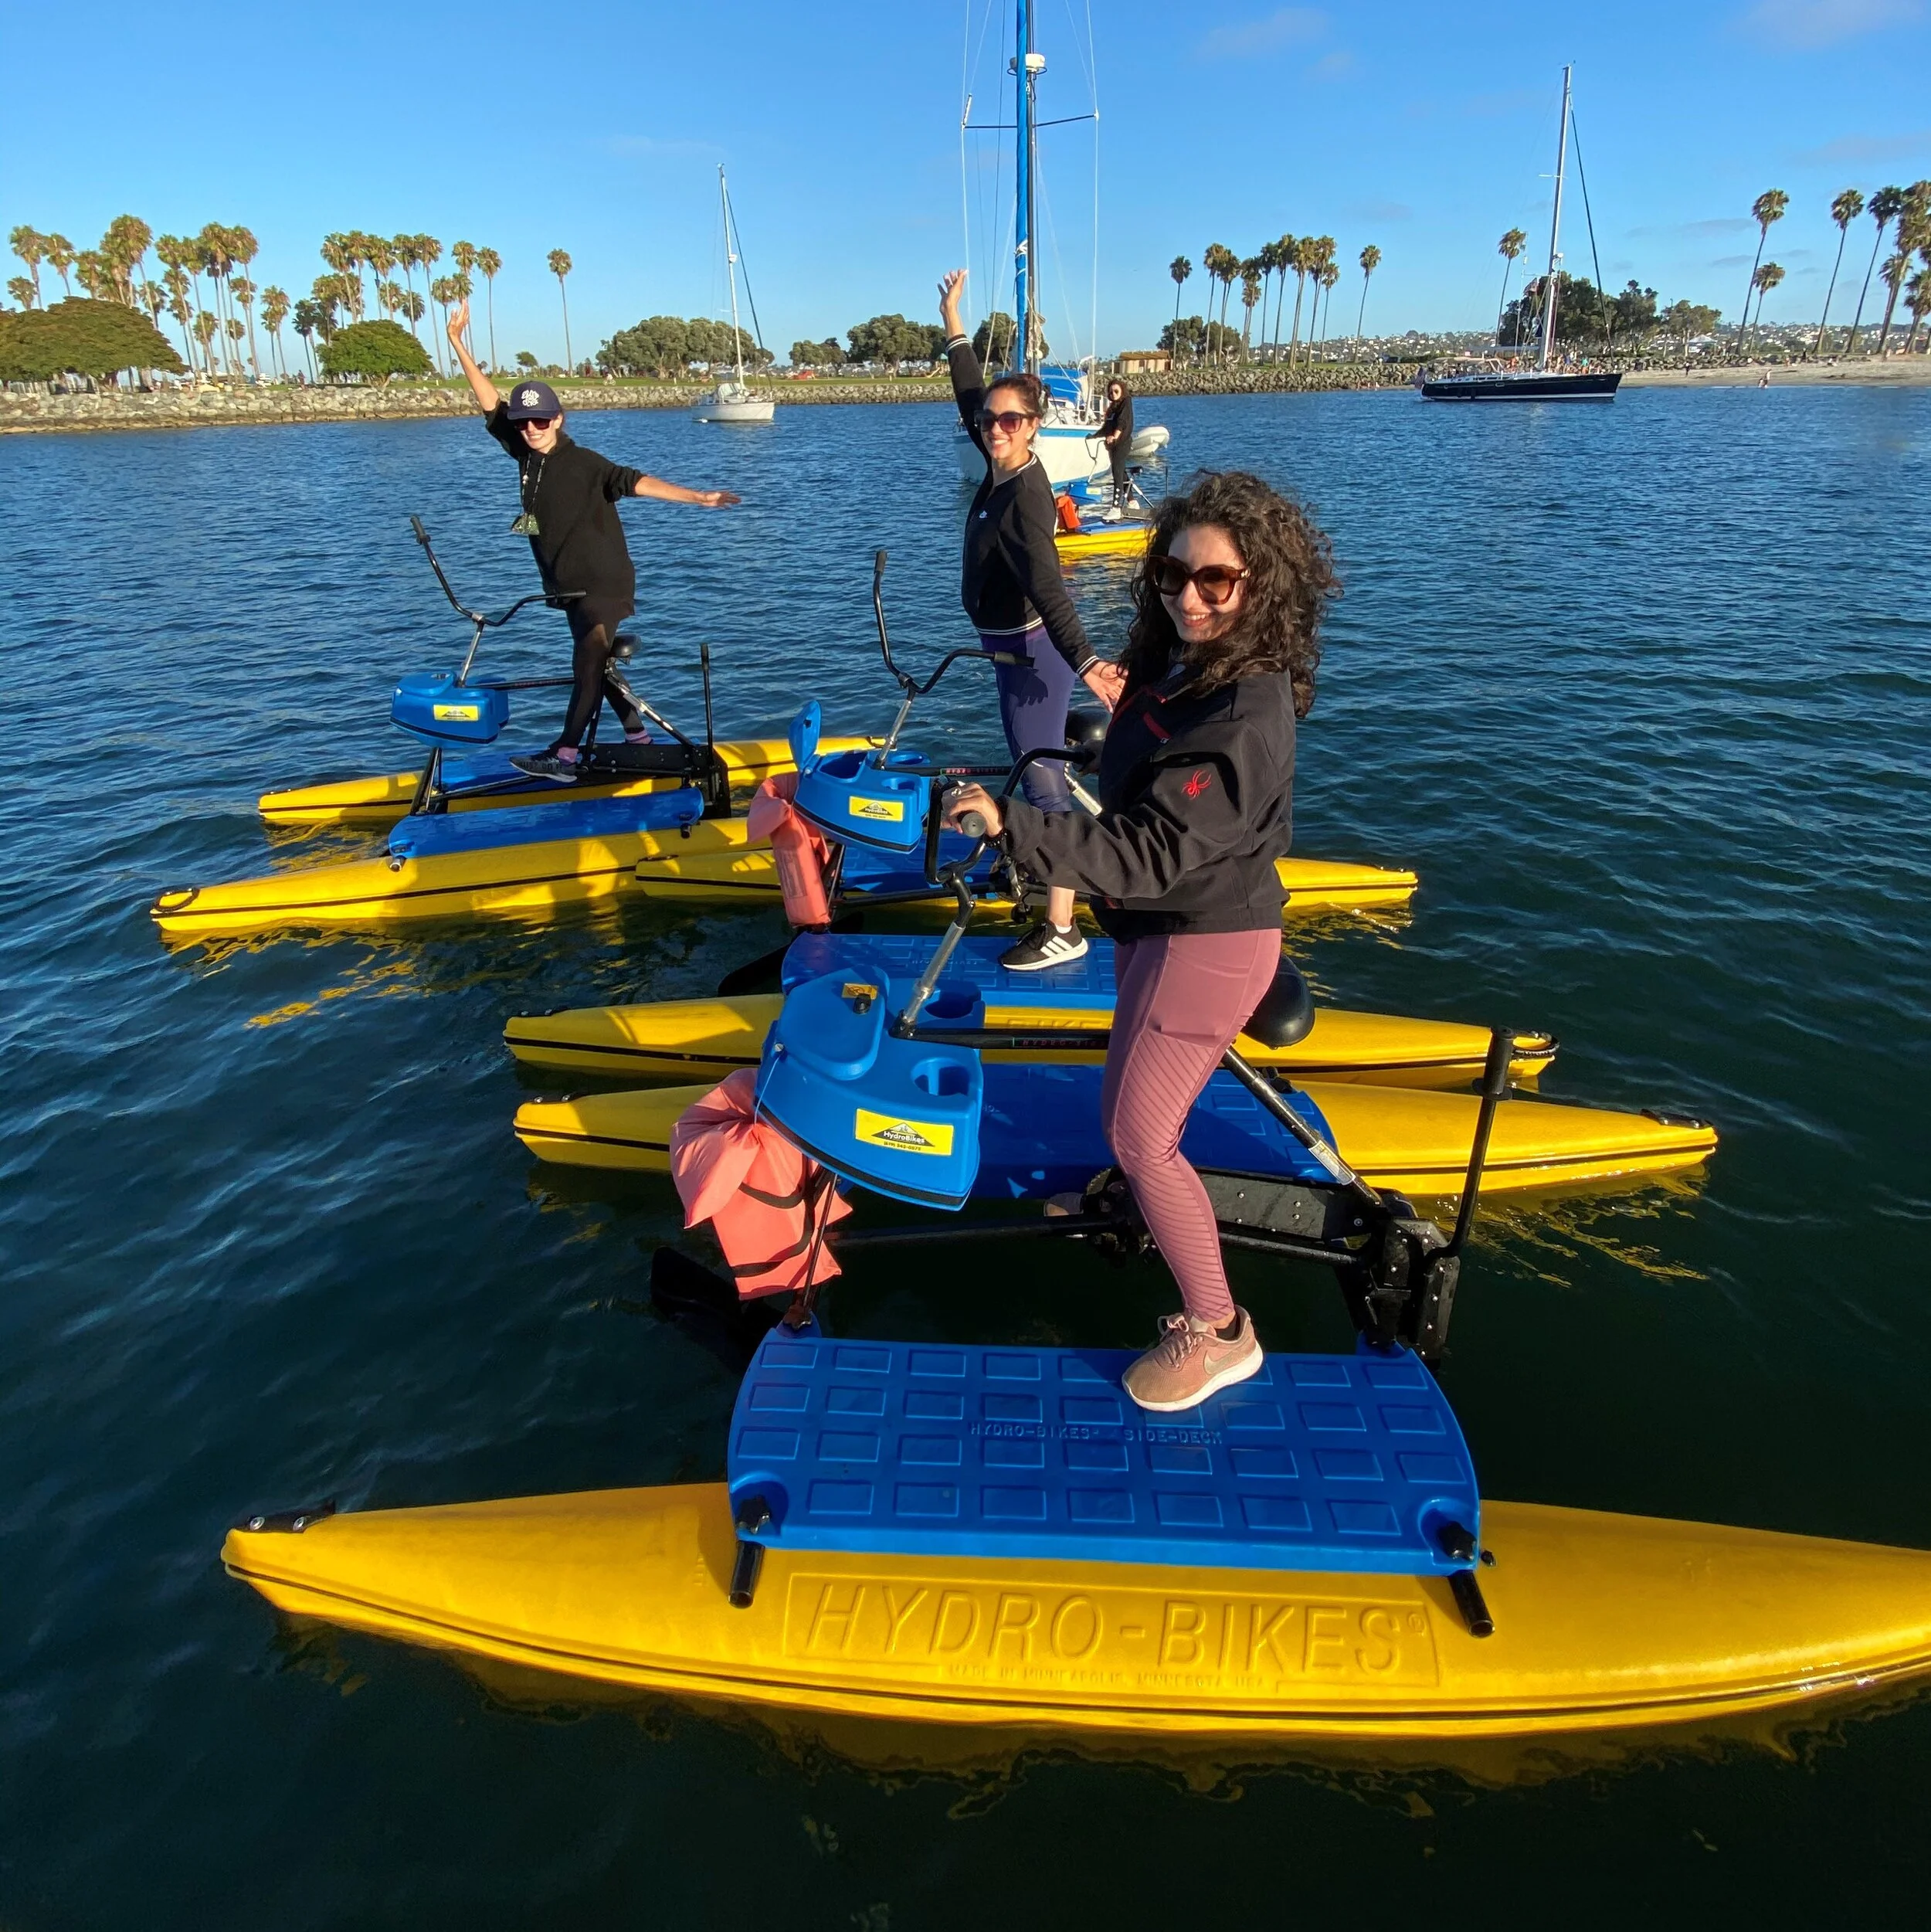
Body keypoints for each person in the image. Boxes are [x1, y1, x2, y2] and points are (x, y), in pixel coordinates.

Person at [942, 471, 1338, 1412]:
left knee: (1138, 1130)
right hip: (1162, 927)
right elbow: (1145, 775)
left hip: (1204, 939)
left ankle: (1220, 1327)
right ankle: (1132, 1195)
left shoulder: (1242, 711)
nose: (1187, 596)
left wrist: (1013, 825)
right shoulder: (1179, 661)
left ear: (1261, 586)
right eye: (1171, 573)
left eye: (1216, 582)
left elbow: (1154, 849)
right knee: (1131, 1104)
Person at [445, 300, 741, 783]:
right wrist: (458, 343)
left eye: (541, 421)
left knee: (588, 661)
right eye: (524, 423)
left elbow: (634, 481)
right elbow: (489, 403)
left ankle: (564, 755)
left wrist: (699, 498)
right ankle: (638, 737)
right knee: (597, 669)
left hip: (601, 583)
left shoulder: (585, 464)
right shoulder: (526, 453)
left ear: (558, 419)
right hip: (566, 584)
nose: (532, 429)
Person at [938, 268, 1128, 969]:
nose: (994, 429)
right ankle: (1034, 870)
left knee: (1043, 780)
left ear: (1034, 428)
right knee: (1033, 767)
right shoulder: (999, 462)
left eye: (1009, 421)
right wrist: (955, 321)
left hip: (1035, 658)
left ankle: (1064, 925)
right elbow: (968, 389)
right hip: (1009, 653)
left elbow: (1050, 589)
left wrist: (1088, 664)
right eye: (989, 420)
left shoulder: (1024, 499)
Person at [1098, 378, 1135, 504]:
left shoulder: (1126, 402)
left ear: (1122, 391)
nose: (1113, 394)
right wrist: (1093, 436)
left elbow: (1122, 422)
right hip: (1113, 446)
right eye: (1111, 392)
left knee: (1117, 473)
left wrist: (1114, 436)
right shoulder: (1113, 407)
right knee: (1121, 471)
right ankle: (1132, 502)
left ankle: (1116, 506)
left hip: (1122, 444)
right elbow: (1106, 428)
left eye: (1116, 391)